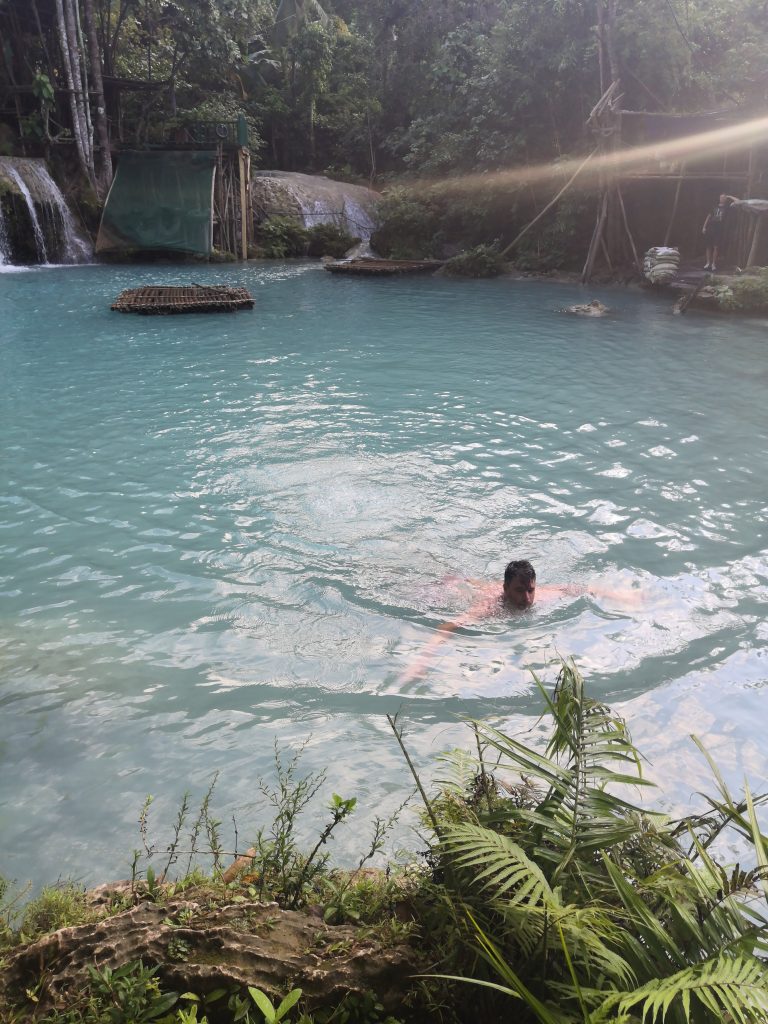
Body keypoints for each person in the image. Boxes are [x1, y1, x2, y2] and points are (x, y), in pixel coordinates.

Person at [401, 560, 637, 682]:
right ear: (505, 589)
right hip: (457, 591)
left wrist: (624, 597)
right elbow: (446, 627)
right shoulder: (490, 607)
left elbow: (580, 588)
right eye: (519, 591)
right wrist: (420, 663)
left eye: (530, 590)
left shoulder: (541, 594)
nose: (527, 599)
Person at [701, 194, 737, 272]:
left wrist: (730, 196)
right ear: (719, 198)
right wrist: (704, 227)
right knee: (708, 246)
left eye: (724, 197)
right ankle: (708, 263)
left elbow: (738, 201)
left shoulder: (727, 207)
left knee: (716, 247)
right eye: (721, 197)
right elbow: (708, 216)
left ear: (726, 199)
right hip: (710, 227)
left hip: (719, 229)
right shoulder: (714, 206)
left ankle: (713, 264)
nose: (722, 199)